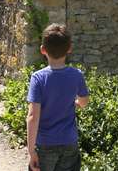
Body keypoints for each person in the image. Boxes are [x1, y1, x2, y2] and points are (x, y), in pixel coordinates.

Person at [26, 24, 89, 171]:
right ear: (69, 49)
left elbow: (32, 116)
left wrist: (31, 151)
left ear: (43, 50)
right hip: (69, 143)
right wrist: (77, 103)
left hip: (45, 144)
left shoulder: (38, 78)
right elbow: (84, 101)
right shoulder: (76, 75)